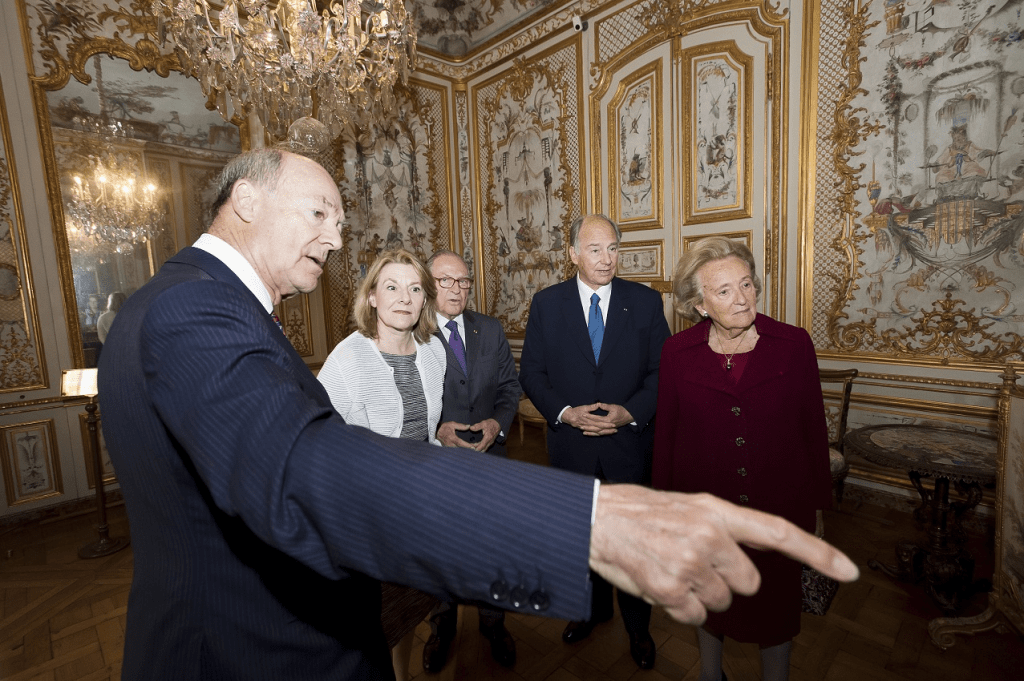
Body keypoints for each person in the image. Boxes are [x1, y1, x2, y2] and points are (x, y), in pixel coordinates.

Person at [97, 148, 858, 681]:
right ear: (247, 200)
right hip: (242, 656)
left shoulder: (191, 303)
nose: (335, 234)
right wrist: (586, 520)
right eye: (320, 210)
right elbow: (303, 466)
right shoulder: (194, 310)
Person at [652, 236, 833, 681]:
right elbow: (667, 437)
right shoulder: (677, 353)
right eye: (725, 291)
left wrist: (818, 509)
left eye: (747, 284)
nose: (742, 298)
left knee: (775, 611)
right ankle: (710, 674)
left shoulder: (793, 344)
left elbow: (814, 431)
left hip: (778, 511)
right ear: (699, 304)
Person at [518, 213, 670, 670]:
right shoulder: (547, 304)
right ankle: (591, 611)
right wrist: (564, 413)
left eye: (614, 249)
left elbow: (662, 372)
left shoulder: (645, 302)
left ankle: (638, 630)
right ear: (573, 254)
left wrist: (631, 413)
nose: (608, 259)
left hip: (628, 448)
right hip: (573, 447)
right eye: (596, 249)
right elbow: (532, 372)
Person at [317, 248, 447, 679]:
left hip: (420, 510)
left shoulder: (432, 352)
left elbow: (426, 433)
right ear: (371, 296)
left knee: (408, 609)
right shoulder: (346, 361)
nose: (403, 298)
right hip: (369, 517)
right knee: (370, 623)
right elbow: (320, 446)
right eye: (391, 287)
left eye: (414, 289)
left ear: (425, 299)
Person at [420, 250, 522, 672]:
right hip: (436, 467)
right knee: (439, 549)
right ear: (428, 285)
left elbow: (509, 389)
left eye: (463, 281)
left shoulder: (490, 329)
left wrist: (498, 425)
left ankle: (493, 623)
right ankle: (441, 626)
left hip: (489, 461)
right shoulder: (413, 332)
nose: (457, 289)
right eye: (446, 281)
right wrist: (438, 430)